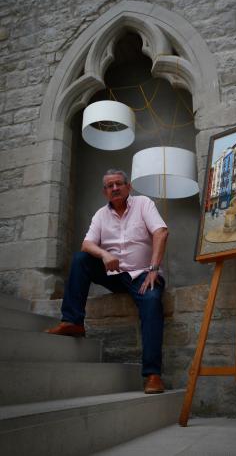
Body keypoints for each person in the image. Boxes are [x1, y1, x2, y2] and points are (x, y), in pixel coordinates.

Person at [46, 169, 168, 394]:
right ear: (105, 192)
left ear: (128, 187)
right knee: (82, 258)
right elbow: (86, 244)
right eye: (110, 186)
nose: (115, 188)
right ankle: (73, 321)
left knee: (152, 302)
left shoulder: (143, 204)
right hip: (115, 275)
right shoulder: (101, 214)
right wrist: (104, 254)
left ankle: (153, 375)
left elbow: (160, 232)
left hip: (143, 274)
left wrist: (153, 269)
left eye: (119, 184)